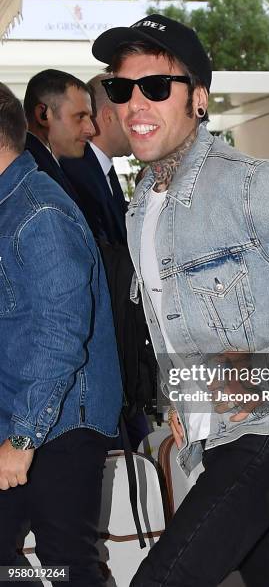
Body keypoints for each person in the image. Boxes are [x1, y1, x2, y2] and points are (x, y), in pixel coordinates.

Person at [92, 14, 269, 586]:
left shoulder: (247, 184)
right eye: (122, 89)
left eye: (155, 87)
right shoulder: (141, 207)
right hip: (217, 438)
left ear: (198, 99)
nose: (134, 104)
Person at [0, 82, 122, 586]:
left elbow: (59, 333)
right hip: (30, 420)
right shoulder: (14, 206)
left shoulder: (38, 212)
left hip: (57, 425)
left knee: (68, 563)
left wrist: (23, 437)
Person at [61, 73, 153, 448]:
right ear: (108, 116)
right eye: (127, 108)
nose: (137, 118)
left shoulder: (105, 173)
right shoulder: (75, 171)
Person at [61, 73, 130, 244]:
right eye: (130, 114)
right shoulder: (75, 177)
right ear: (108, 116)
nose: (137, 122)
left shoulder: (103, 170)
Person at [23, 69, 95, 201]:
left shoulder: (38, 164)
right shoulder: (33, 173)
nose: (92, 130)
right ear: (42, 115)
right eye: (80, 117)